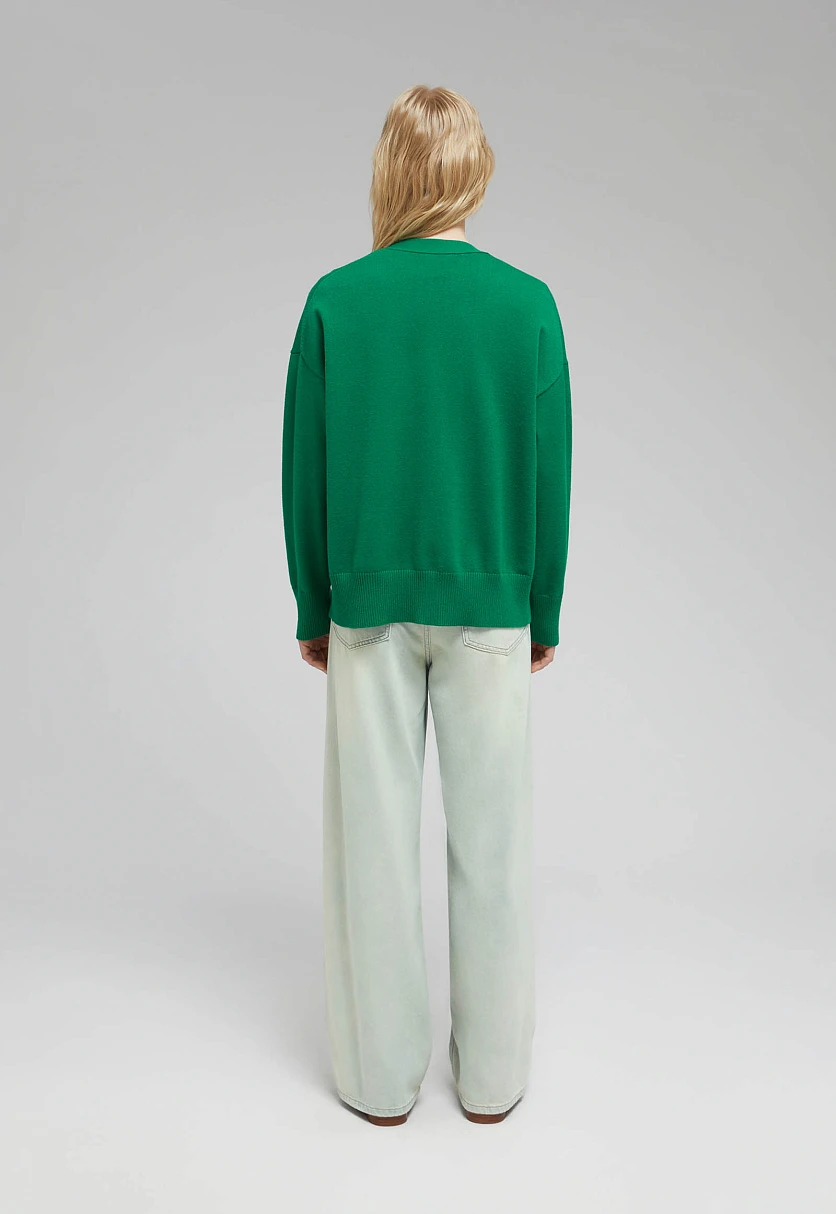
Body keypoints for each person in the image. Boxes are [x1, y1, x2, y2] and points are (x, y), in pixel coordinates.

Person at [281, 84, 572, 1126]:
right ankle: (492, 1081)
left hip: (366, 602)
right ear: (472, 172)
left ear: (391, 171)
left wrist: (312, 602)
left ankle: (378, 1080)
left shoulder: (334, 301)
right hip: (491, 600)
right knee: (493, 849)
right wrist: (542, 608)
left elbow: (303, 465)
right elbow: (549, 467)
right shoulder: (526, 306)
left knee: (373, 843)